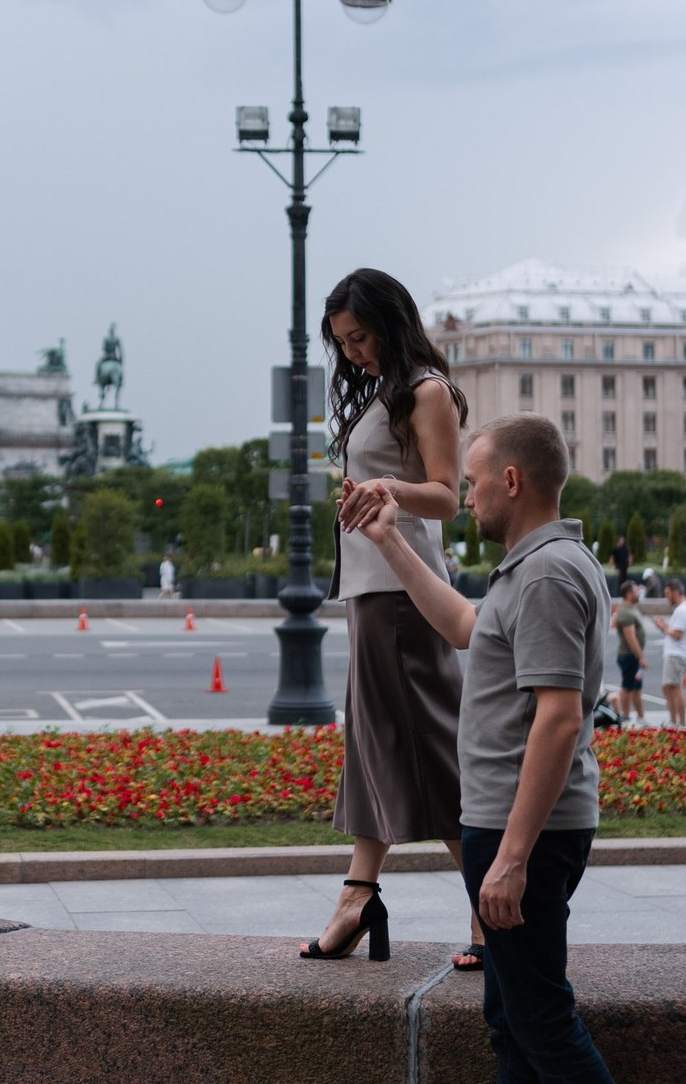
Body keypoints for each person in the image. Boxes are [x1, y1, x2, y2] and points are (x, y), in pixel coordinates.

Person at [357, 412, 615, 1083]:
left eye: (471, 485)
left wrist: (512, 858)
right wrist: (389, 540)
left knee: (543, 1024)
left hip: (517, 827)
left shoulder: (548, 575)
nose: (464, 498)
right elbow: (464, 626)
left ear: (510, 479)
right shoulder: (533, 567)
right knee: (512, 1024)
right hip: (503, 822)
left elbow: (558, 720)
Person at [302, 268, 483, 971]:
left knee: (430, 750)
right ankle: (358, 892)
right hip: (371, 592)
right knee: (375, 745)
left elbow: (444, 496)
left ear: (391, 323)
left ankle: (491, 904)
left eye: (361, 336)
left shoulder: (426, 391)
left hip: (407, 595)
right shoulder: (380, 392)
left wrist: (386, 487)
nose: (352, 352)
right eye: (342, 342)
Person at [652, 577, 686, 729]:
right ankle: (674, 721)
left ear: (676, 592)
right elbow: (675, 632)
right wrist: (664, 626)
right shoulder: (685, 608)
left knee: (673, 687)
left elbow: (677, 634)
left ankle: (680, 723)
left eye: (668, 594)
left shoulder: (683, 609)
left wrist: (664, 627)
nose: (666, 598)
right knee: (668, 687)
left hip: (677, 653)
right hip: (677, 653)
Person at [614, 580, 648, 726]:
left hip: (633, 656)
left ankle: (640, 717)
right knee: (627, 687)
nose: (638, 593)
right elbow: (630, 637)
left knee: (636, 687)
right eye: (635, 591)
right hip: (629, 655)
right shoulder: (626, 612)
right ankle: (624, 716)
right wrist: (640, 657)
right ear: (628, 594)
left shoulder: (631, 608)